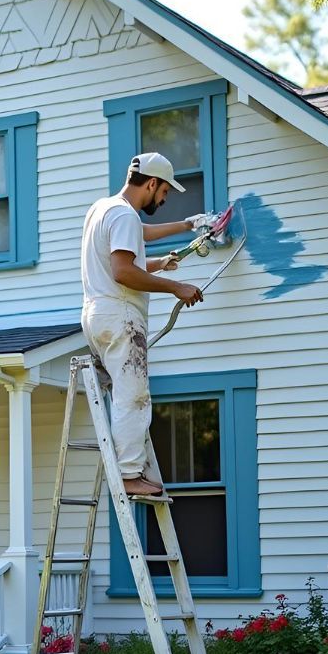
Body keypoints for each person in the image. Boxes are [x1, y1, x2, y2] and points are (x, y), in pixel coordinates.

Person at [79, 152, 204, 498]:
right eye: (164, 191)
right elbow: (123, 271)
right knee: (133, 396)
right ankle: (130, 474)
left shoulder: (103, 209)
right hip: (120, 316)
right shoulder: (123, 216)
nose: (165, 199)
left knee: (122, 393)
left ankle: (127, 468)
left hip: (95, 315)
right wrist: (177, 287)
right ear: (151, 183)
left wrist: (183, 230)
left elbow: (136, 240)